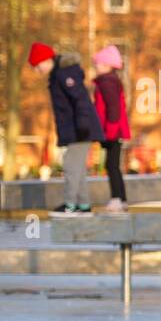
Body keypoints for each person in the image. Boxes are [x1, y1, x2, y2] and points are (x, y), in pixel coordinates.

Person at [28, 42, 104, 213]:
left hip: (81, 129)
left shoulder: (64, 74)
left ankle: (70, 204)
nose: (36, 71)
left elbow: (81, 100)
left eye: (36, 66)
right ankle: (83, 205)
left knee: (70, 166)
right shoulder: (57, 76)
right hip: (76, 130)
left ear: (46, 60)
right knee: (77, 168)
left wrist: (83, 124)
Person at [91, 45, 131, 213]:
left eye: (98, 64)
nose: (96, 67)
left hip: (112, 131)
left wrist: (109, 132)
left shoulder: (107, 82)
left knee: (111, 165)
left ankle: (117, 198)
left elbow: (113, 109)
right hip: (114, 130)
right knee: (113, 165)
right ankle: (121, 199)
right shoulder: (110, 80)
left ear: (107, 65)